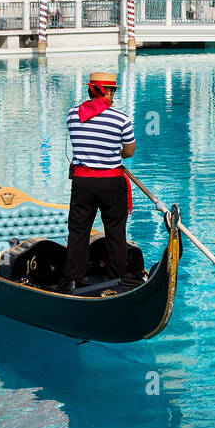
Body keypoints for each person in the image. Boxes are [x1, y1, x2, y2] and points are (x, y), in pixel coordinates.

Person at [61, 72, 139, 292]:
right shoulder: (121, 118)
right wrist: (115, 153)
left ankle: (72, 279)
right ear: (106, 91)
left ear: (90, 90)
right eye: (112, 90)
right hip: (111, 183)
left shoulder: (71, 114)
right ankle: (120, 278)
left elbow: (82, 140)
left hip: (82, 183)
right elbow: (130, 152)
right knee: (115, 230)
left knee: (78, 230)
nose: (113, 94)